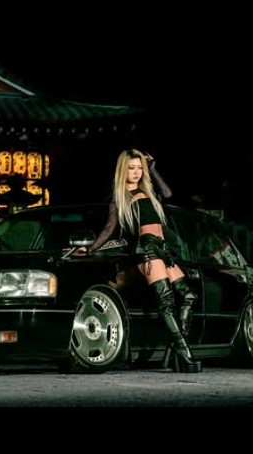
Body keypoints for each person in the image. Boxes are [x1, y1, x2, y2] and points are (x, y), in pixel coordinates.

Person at [75, 148, 202, 373]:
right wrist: (90, 248)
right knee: (166, 301)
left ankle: (176, 350)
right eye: (131, 168)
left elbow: (168, 193)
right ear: (122, 170)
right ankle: (185, 352)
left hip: (163, 248)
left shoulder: (147, 192)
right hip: (147, 249)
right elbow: (108, 229)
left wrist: (152, 169)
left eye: (139, 168)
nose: (136, 172)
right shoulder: (119, 198)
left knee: (189, 295)